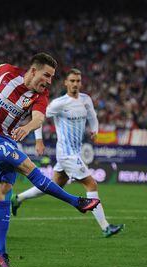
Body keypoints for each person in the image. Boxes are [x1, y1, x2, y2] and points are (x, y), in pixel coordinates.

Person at [0, 53, 100, 267]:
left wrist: (28, 127)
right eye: (47, 75)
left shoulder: (39, 96)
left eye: (52, 77)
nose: (49, 81)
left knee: (3, 192)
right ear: (33, 71)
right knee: (28, 168)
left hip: (5, 140)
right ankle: (76, 202)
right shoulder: (7, 72)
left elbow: (39, 118)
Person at [11, 68, 124, 237]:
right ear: (66, 83)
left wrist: (95, 129)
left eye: (78, 81)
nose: (75, 84)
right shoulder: (59, 103)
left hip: (74, 152)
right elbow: (38, 118)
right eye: (72, 81)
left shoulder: (86, 100)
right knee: (91, 184)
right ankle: (105, 227)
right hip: (66, 153)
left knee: (54, 186)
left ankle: (18, 198)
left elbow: (92, 116)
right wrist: (39, 140)